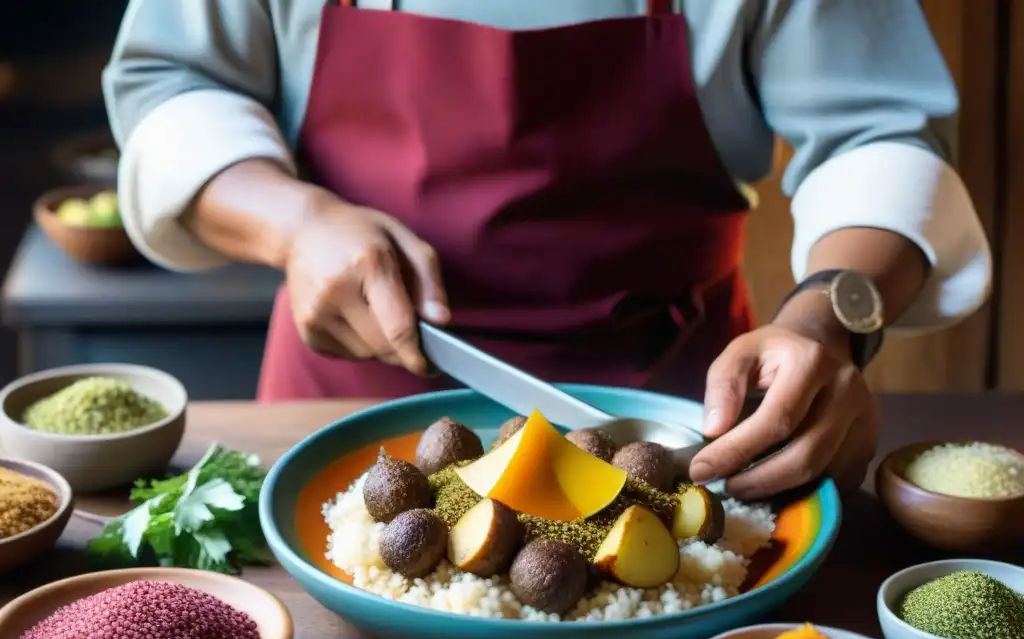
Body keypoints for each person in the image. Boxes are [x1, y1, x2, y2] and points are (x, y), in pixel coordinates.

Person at [103, 0, 990, 499]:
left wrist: (831, 317)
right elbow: (171, 79)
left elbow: (880, 133)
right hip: (341, 425)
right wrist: (292, 222)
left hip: (681, 431)